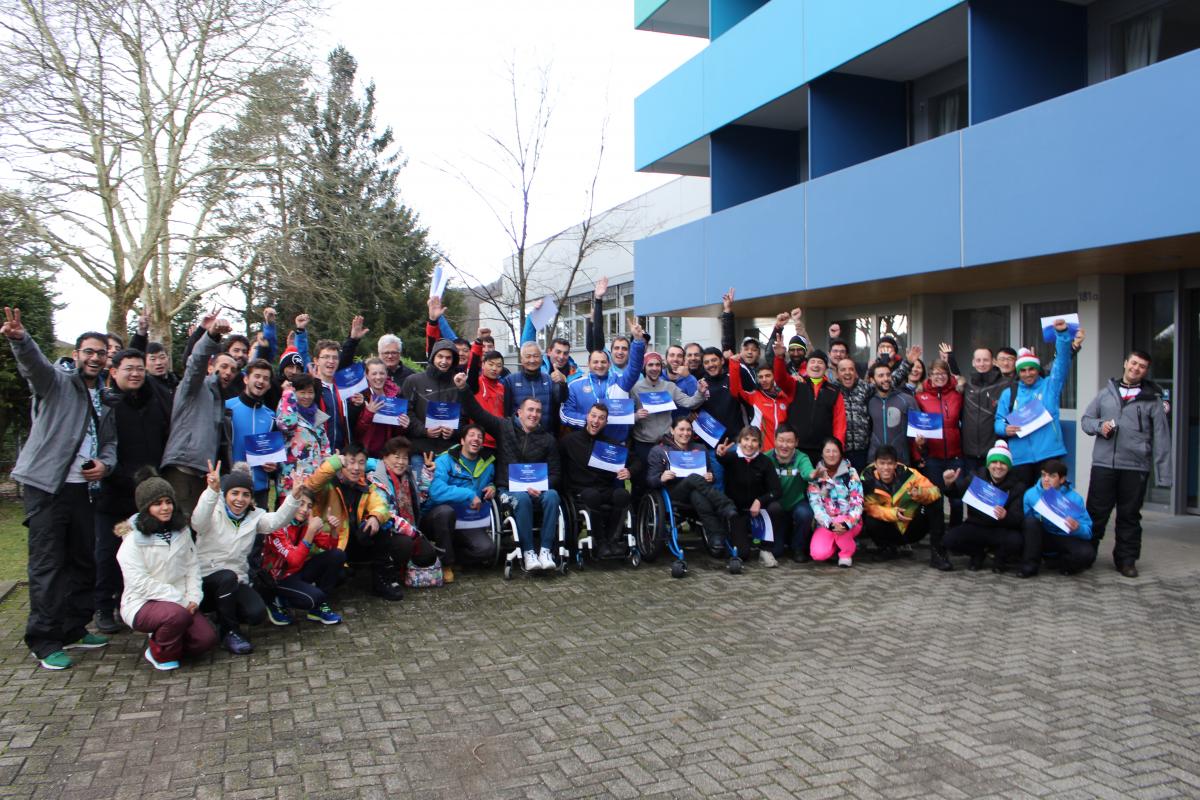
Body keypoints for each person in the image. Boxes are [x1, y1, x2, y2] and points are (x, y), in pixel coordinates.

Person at [3, 309, 116, 670]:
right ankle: (44, 639)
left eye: (101, 353)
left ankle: (73, 628)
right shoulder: (56, 383)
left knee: (82, 561)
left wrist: (105, 465)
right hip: (47, 488)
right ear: (77, 354)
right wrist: (20, 339)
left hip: (84, 490)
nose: (95, 358)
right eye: (89, 352)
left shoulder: (105, 397)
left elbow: (110, 444)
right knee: (48, 565)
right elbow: (33, 366)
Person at [94, 348, 172, 634]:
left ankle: (143, 602)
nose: (136, 373)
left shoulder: (155, 401)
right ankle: (104, 606)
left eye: (140, 368)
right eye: (129, 368)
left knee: (148, 550)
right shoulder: (107, 404)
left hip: (150, 494)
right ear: (113, 372)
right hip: (116, 491)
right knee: (110, 550)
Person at [1081, 349, 1172, 578]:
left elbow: (1162, 438)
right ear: (1125, 363)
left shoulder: (1153, 400)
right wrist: (1100, 426)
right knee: (1095, 513)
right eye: (1133, 363)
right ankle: (1085, 554)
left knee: (1129, 516)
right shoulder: (1105, 394)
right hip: (1103, 465)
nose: (1136, 368)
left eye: (1141, 366)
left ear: (1146, 370)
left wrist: (1164, 476)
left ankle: (1126, 560)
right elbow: (1086, 420)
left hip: (1135, 467)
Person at [458, 375, 563, 573]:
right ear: (519, 412)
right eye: (530, 410)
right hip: (508, 489)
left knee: (553, 495)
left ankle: (546, 551)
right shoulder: (504, 427)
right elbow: (477, 413)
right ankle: (529, 553)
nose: (534, 414)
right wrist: (463, 388)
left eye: (538, 411)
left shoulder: (548, 440)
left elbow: (556, 472)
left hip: (538, 491)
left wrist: (541, 487)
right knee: (521, 498)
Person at [193, 461, 301, 654]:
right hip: (205, 581)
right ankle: (230, 632)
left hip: (235, 581)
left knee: (256, 614)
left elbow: (276, 521)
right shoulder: (213, 513)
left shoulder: (254, 517)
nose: (239, 499)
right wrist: (211, 491)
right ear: (225, 495)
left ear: (251, 498)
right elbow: (197, 522)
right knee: (226, 577)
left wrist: (294, 497)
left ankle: (221, 617)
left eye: (245, 494)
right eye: (234, 493)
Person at [115, 470, 217, 671]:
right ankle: (158, 653)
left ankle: (170, 637)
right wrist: (179, 600)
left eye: (168, 502)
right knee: (175, 616)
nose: (165, 508)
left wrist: (194, 597)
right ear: (146, 508)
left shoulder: (181, 530)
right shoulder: (132, 541)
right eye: (157, 503)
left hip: (182, 601)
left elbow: (192, 565)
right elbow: (140, 582)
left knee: (206, 640)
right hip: (143, 602)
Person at [161, 311, 236, 521]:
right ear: (210, 368)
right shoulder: (194, 387)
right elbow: (196, 363)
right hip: (181, 470)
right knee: (179, 532)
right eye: (223, 367)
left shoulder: (220, 400)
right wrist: (211, 335)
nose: (228, 372)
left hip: (204, 476)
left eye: (233, 369)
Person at [994, 320, 1083, 487]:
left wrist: (1062, 335)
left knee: (1048, 501)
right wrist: (1005, 429)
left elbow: (1062, 363)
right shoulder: (1009, 393)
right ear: (1018, 372)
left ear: (1037, 369)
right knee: (1023, 500)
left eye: (1032, 369)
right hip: (1020, 457)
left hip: (1048, 454)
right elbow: (998, 421)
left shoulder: (1050, 385)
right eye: (1023, 370)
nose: (1028, 374)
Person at [305, 446, 398, 599]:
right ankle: (318, 589)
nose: (356, 468)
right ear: (342, 463)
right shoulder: (328, 485)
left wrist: (375, 517)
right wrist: (333, 462)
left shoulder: (365, 486)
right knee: (341, 576)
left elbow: (381, 506)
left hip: (353, 541)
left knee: (381, 529)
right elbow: (311, 484)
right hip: (330, 544)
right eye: (351, 462)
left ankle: (381, 583)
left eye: (361, 463)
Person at [645, 417, 739, 567]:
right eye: (681, 429)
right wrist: (661, 477)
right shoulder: (659, 450)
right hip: (673, 493)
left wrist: (710, 476)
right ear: (672, 430)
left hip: (697, 493)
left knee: (697, 493)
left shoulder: (700, 449)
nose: (685, 433)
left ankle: (715, 537)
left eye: (688, 430)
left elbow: (709, 476)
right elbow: (650, 480)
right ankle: (726, 506)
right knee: (693, 478)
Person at [260, 486, 346, 626]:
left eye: (309, 506)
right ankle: (275, 600)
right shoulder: (276, 526)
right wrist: (311, 531)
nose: (304, 509)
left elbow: (330, 548)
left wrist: (333, 530)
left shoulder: (305, 524)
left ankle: (318, 608)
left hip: (296, 573)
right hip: (277, 578)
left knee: (338, 556)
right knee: (314, 598)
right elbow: (294, 560)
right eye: (301, 503)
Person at [419, 425, 498, 574]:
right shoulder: (444, 460)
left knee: (487, 550)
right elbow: (436, 491)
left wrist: (491, 487)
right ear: (462, 440)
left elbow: (489, 483)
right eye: (471, 435)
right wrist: (468, 494)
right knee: (445, 512)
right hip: (437, 519)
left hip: (468, 520)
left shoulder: (488, 465)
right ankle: (446, 565)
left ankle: (453, 557)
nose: (476, 439)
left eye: (480, 437)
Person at [559, 403, 633, 558]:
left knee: (623, 494)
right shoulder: (569, 441)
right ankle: (600, 542)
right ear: (587, 416)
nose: (596, 420)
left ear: (606, 422)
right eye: (593, 416)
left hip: (604, 488)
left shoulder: (611, 444)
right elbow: (558, 466)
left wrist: (629, 471)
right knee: (592, 496)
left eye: (601, 418)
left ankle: (613, 541)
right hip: (580, 491)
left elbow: (636, 461)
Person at [942, 441, 1026, 571]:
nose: (998, 466)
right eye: (994, 462)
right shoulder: (975, 477)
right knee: (949, 540)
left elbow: (1017, 518)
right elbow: (957, 493)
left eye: (1003, 463)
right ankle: (977, 553)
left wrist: (1005, 516)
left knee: (1016, 541)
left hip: (1000, 528)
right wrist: (949, 484)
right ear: (988, 464)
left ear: (1009, 467)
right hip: (975, 525)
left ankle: (1000, 557)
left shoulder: (1017, 486)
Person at [367, 437, 443, 579]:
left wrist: (427, 473)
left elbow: (421, 498)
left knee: (428, 556)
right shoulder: (377, 478)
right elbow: (387, 514)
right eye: (396, 457)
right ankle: (387, 572)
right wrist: (413, 533)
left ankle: (404, 566)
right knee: (405, 544)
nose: (401, 462)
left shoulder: (408, 475)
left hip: (409, 529)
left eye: (404, 458)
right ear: (385, 458)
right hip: (388, 531)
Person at [560, 320, 646, 442]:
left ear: (609, 364)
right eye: (595, 362)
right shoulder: (575, 385)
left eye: (603, 362)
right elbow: (565, 414)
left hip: (615, 443)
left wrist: (637, 341)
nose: (599, 365)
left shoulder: (620, 382)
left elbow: (634, 368)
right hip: (586, 442)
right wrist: (589, 420)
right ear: (588, 364)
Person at [860, 445, 945, 566]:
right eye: (882, 463)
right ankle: (886, 548)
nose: (886, 468)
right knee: (869, 519)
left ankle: (938, 552)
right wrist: (893, 514)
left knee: (935, 502)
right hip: (888, 528)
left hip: (912, 525)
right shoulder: (867, 478)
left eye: (889, 464)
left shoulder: (909, 474)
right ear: (875, 464)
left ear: (895, 464)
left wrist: (920, 493)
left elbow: (935, 491)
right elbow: (870, 507)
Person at [716, 426, 786, 568]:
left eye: (754, 440)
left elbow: (777, 490)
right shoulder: (732, 458)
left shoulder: (765, 462)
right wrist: (719, 453)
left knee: (776, 507)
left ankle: (765, 549)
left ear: (759, 444)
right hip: (738, 511)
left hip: (759, 511)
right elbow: (721, 458)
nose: (749, 444)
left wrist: (760, 500)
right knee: (742, 554)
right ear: (739, 441)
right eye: (746, 439)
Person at [913, 358, 965, 541]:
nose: (939, 377)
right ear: (930, 375)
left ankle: (956, 537)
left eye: (943, 373)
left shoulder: (958, 394)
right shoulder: (920, 395)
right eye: (936, 373)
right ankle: (938, 538)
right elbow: (917, 425)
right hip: (933, 456)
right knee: (936, 499)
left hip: (955, 454)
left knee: (957, 500)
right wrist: (920, 445)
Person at [1016, 459, 1094, 578]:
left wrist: (1077, 528)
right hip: (1042, 536)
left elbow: (1088, 532)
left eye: (1052, 476)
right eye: (1044, 475)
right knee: (1030, 522)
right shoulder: (1030, 494)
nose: (1046, 479)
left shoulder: (1075, 498)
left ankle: (1062, 564)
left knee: (1087, 554)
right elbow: (1026, 523)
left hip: (1064, 537)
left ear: (1062, 479)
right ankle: (1030, 567)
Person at [631, 350, 704, 475]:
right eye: (650, 365)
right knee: (641, 479)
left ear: (661, 367)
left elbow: (689, 402)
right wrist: (636, 416)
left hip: (666, 443)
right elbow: (624, 416)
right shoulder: (635, 388)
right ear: (644, 367)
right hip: (643, 443)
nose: (654, 368)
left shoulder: (669, 387)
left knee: (666, 478)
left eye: (657, 365)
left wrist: (700, 393)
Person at [226, 359, 279, 510]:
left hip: (259, 490)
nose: (261, 381)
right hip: (231, 490)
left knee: (259, 534)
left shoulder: (271, 416)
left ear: (269, 385)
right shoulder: (227, 407)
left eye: (266, 378)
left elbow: (273, 457)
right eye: (257, 376)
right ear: (246, 378)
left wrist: (273, 465)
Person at [777, 348, 845, 463]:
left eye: (820, 362)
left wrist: (838, 449)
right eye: (812, 362)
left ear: (825, 367)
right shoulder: (796, 384)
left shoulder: (834, 391)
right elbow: (780, 379)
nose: (816, 365)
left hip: (823, 451)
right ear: (806, 366)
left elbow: (840, 423)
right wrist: (779, 358)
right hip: (796, 448)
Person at [725, 339, 794, 452]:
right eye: (760, 377)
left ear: (774, 377)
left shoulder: (784, 397)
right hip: (761, 452)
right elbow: (735, 391)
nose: (764, 380)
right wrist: (733, 365)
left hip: (783, 452)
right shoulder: (754, 396)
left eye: (767, 376)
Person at [806, 438, 864, 567]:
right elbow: (816, 505)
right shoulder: (816, 475)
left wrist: (847, 523)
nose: (831, 454)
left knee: (841, 523)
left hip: (850, 521)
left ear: (840, 453)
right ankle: (836, 546)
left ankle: (846, 553)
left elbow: (857, 501)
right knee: (818, 554)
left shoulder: (851, 473)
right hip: (827, 523)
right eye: (827, 451)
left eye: (835, 451)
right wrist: (829, 524)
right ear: (822, 453)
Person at [402, 338, 462, 460]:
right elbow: (406, 413)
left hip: (448, 452)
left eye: (448, 358)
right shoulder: (413, 381)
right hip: (419, 450)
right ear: (433, 357)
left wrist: (454, 432)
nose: (444, 361)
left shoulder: (458, 385)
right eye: (440, 356)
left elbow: (465, 418)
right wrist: (424, 430)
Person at [765, 424, 816, 562]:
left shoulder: (802, 458)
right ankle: (777, 541)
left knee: (805, 514)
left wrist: (813, 474)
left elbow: (807, 472)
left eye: (789, 441)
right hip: (776, 508)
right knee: (777, 552)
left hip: (796, 503)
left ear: (796, 443)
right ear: (775, 440)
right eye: (781, 440)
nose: (784, 445)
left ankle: (798, 548)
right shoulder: (766, 457)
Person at [961, 347, 1013, 478]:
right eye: (978, 360)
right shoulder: (967, 386)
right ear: (973, 362)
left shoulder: (1005, 385)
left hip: (994, 452)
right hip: (969, 452)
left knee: (992, 493)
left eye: (986, 360)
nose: (982, 363)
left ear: (993, 362)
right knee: (970, 493)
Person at [275, 374, 332, 493]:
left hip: (314, 484)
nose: (307, 396)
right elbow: (287, 424)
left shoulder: (318, 417)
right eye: (302, 392)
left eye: (310, 392)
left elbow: (325, 449)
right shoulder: (286, 411)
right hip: (291, 486)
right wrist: (287, 394)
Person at [501, 341, 565, 433]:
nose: (532, 360)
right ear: (522, 359)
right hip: (518, 436)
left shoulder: (549, 379)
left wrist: (563, 383)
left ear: (541, 358)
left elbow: (561, 400)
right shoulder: (510, 381)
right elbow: (506, 413)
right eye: (528, 356)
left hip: (545, 436)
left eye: (535, 356)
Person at [352, 357, 408, 458]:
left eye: (382, 373)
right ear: (366, 375)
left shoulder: (395, 395)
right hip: (366, 454)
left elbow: (397, 433)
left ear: (386, 374)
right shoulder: (361, 396)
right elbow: (356, 432)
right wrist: (369, 412)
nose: (378, 377)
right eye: (374, 374)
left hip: (388, 454)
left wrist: (402, 424)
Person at [866, 361, 918, 464]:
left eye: (888, 375)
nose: (886, 379)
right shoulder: (868, 401)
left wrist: (920, 444)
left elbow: (919, 431)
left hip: (901, 461)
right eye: (881, 376)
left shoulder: (907, 400)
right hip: (875, 462)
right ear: (872, 380)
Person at [465, 332, 506, 453]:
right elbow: (472, 368)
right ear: (483, 365)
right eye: (491, 364)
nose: (494, 368)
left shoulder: (502, 387)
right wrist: (478, 342)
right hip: (480, 442)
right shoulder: (476, 383)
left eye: (499, 365)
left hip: (499, 442)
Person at [312, 339, 352, 452]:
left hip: (340, 454)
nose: (331, 361)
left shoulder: (344, 388)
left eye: (335, 357)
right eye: (326, 357)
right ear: (316, 360)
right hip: (316, 454)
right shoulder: (308, 387)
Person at [834, 358, 872, 472]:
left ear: (855, 372)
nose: (847, 372)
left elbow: (886, 384)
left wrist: (907, 364)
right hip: (840, 451)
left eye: (851, 369)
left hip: (862, 450)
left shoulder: (865, 388)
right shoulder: (832, 389)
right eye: (843, 370)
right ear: (837, 373)